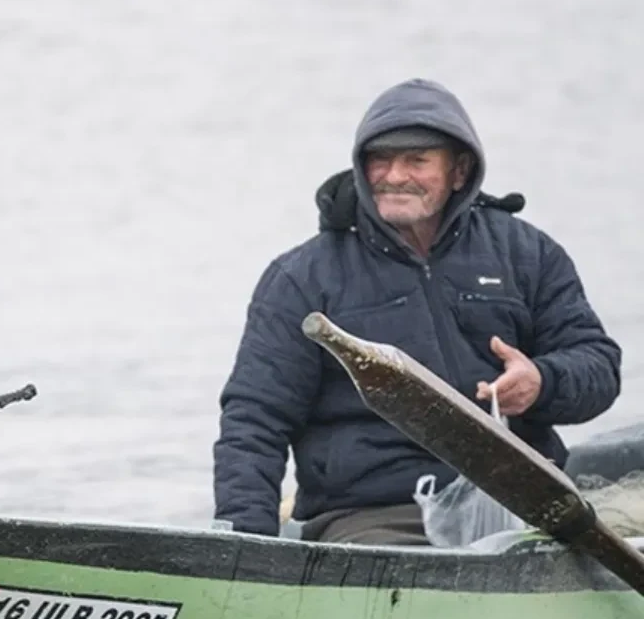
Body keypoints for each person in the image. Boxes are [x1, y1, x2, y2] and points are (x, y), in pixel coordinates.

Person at [211, 78, 622, 545]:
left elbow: (599, 367)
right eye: (380, 160)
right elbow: (254, 420)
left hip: (526, 507)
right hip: (374, 516)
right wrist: (245, 545)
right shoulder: (302, 277)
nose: (394, 175)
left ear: (460, 172)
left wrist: (541, 383)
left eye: (417, 161)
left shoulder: (526, 254)